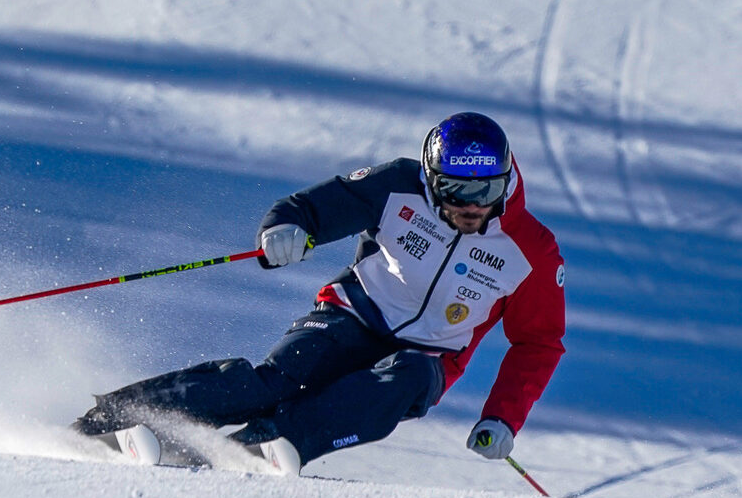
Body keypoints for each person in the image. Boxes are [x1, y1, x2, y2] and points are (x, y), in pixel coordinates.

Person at [74, 111, 565, 473]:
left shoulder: (532, 252)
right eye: (455, 191)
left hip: (431, 354)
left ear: (506, 181)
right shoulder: (398, 185)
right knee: (276, 382)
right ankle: (112, 420)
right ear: (431, 178)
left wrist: (503, 417)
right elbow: (313, 209)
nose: (471, 207)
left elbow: (538, 342)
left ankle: (263, 446)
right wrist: (284, 230)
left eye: (485, 192)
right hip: (352, 315)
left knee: (402, 381)